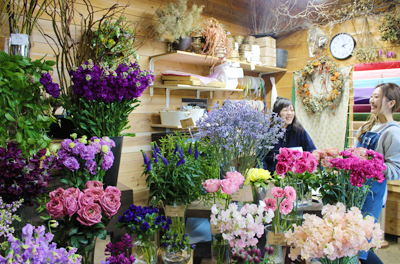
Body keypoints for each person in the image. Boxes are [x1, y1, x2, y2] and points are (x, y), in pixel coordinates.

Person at [355, 83, 400, 264]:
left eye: (377, 97)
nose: (371, 100)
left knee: (361, 246)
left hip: (372, 194)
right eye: (372, 96)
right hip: (355, 189)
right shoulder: (367, 127)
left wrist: (369, 164)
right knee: (351, 241)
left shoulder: (393, 133)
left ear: (391, 103)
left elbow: (395, 171)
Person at [263, 97, 316, 173]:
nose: (290, 113)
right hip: (274, 177)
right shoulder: (269, 133)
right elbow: (260, 158)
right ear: (277, 113)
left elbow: (312, 152)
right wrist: (265, 177)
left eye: (292, 110)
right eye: (285, 110)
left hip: (296, 175)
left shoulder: (299, 131)